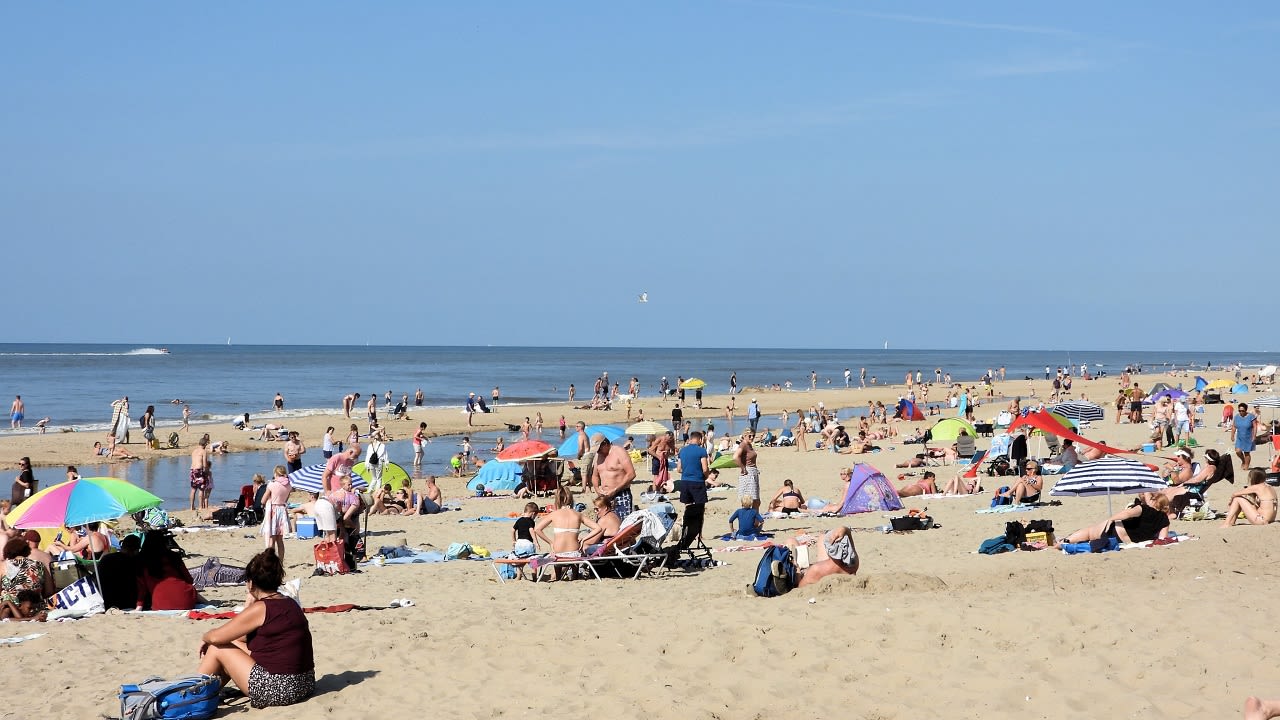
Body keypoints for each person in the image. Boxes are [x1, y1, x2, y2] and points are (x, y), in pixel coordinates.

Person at [197, 549, 315, 709]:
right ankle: (210, 692)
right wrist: (250, 602)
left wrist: (205, 637)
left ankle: (193, 696)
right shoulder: (289, 602)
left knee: (217, 648)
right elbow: (240, 638)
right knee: (228, 644)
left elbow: (218, 637)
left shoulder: (262, 608)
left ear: (251, 583)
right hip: (304, 683)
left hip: (280, 688)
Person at [533, 487, 599, 579]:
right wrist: (584, 539)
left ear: (557, 500)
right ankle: (575, 576)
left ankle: (557, 578)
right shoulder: (577, 514)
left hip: (558, 553)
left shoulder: (554, 514)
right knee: (575, 573)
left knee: (540, 564)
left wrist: (550, 542)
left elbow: (537, 529)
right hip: (574, 554)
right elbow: (597, 528)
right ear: (571, 499)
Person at [668, 430, 713, 563]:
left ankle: (686, 533)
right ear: (699, 439)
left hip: (685, 482)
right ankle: (699, 534)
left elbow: (679, 469)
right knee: (700, 509)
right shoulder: (701, 451)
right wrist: (705, 476)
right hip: (697, 482)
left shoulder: (683, 451)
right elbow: (705, 468)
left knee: (688, 508)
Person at [776, 527, 860, 589]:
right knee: (822, 537)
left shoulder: (816, 569)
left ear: (829, 550)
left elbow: (800, 587)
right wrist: (844, 530)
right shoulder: (853, 563)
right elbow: (850, 543)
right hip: (832, 569)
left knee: (791, 541)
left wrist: (797, 569)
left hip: (815, 575)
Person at [137, 530, 197, 610]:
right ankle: (207, 602)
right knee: (189, 589)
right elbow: (189, 580)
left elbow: (142, 589)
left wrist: (139, 607)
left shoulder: (142, 560)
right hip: (186, 601)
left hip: (160, 603)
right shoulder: (174, 557)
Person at [590, 434, 637, 520]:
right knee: (604, 524)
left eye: (599, 449)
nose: (598, 451)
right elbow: (594, 476)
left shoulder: (619, 452)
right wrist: (597, 489)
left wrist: (615, 489)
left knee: (623, 524)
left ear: (605, 443)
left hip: (621, 493)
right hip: (604, 496)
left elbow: (631, 474)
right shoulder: (598, 456)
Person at [97, 533, 142, 610]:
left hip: (107, 600)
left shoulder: (106, 559)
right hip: (128, 601)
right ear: (135, 550)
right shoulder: (134, 562)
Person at [261, 466, 291, 564]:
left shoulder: (272, 484)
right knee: (280, 540)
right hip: (282, 510)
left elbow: (263, 500)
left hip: (273, 511)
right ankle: (281, 562)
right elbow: (285, 499)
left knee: (271, 539)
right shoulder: (289, 484)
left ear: (276, 473)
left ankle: (271, 562)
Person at [734, 430, 761, 511]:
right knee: (749, 500)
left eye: (753, 435)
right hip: (748, 473)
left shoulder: (749, 445)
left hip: (753, 472)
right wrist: (743, 468)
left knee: (756, 501)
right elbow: (735, 457)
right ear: (745, 435)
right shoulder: (743, 444)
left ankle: (754, 520)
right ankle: (750, 520)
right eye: (749, 436)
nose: (752, 437)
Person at [1232, 402, 1259, 469]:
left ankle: (1246, 465)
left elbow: (1255, 426)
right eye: (1239, 410)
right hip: (1239, 437)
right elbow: (1234, 426)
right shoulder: (1236, 417)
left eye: (1242, 411)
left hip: (1248, 437)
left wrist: (1254, 436)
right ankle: (1243, 461)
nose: (1241, 412)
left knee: (1246, 453)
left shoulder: (1251, 416)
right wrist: (1232, 435)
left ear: (1246, 410)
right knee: (1238, 451)